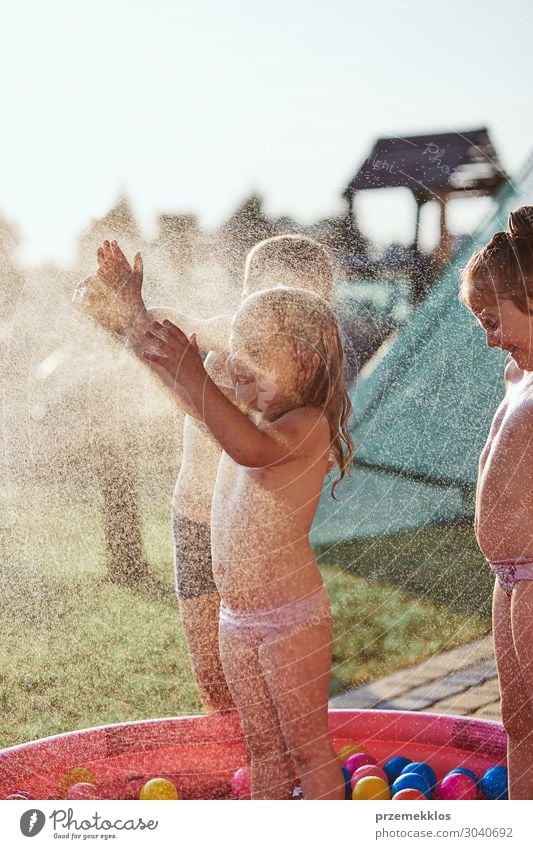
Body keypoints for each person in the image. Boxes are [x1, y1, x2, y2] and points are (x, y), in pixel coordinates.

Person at [74, 235, 335, 714]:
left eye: (295, 295)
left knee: (268, 678)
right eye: (265, 290)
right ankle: (247, 771)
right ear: (246, 293)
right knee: (215, 679)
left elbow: (218, 420)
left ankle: (281, 764)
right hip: (196, 520)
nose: (276, 302)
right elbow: (180, 327)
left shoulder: (304, 372)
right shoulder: (229, 339)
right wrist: (128, 310)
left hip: (252, 533)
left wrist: (135, 325)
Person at [141, 286, 353, 799]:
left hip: (291, 620)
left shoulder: (307, 426)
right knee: (263, 751)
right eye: (236, 346)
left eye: (254, 353)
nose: (235, 361)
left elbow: (254, 451)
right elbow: (195, 403)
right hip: (236, 620)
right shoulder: (243, 416)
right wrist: (141, 331)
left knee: (307, 748)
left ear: (302, 361)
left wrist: (192, 370)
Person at [459, 205, 533, 799]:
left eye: (493, 319)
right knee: (517, 722)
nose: (488, 338)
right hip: (506, 579)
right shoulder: (517, 373)